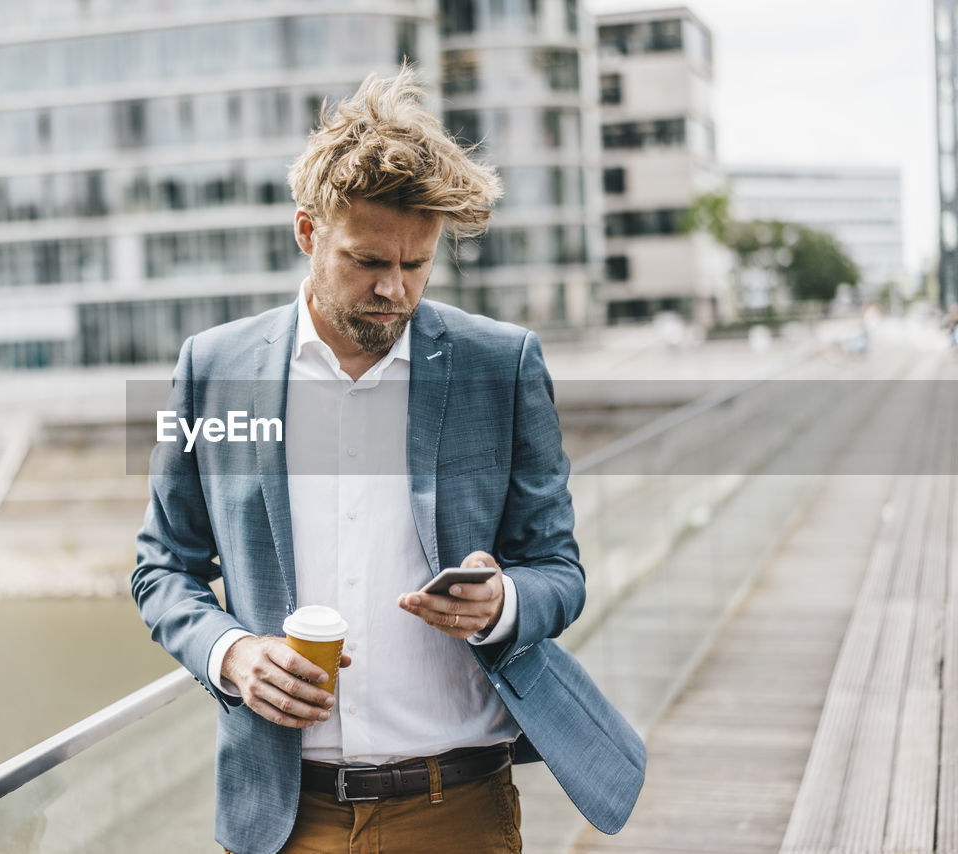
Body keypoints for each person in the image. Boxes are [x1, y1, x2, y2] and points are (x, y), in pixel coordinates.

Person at [132, 67, 644, 854]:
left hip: (458, 807)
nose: (395, 290)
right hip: (280, 817)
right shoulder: (214, 367)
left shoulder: (500, 365)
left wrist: (502, 603)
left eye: (416, 264)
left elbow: (560, 571)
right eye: (368, 261)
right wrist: (232, 654)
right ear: (307, 232)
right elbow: (162, 567)